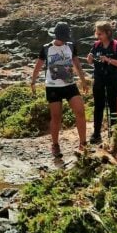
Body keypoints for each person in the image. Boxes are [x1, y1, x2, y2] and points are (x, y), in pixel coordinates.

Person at [31, 21, 89, 157]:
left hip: (69, 85)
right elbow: (38, 66)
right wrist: (33, 81)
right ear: (56, 36)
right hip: (53, 87)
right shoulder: (46, 48)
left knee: (80, 111)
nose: (64, 41)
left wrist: (83, 80)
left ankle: (83, 144)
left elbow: (77, 63)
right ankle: (55, 145)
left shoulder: (71, 46)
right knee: (56, 117)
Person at [86, 21, 117, 145]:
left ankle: (114, 133)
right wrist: (90, 59)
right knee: (98, 106)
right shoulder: (96, 45)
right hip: (99, 78)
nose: (98, 36)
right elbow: (90, 62)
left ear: (108, 33)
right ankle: (96, 134)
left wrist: (108, 60)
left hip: (113, 79)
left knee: (113, 105)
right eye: (97, 34)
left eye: (100, 34)